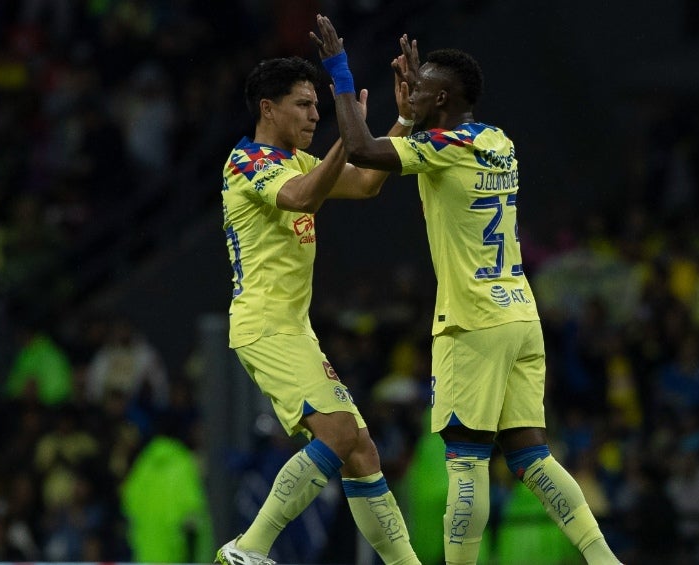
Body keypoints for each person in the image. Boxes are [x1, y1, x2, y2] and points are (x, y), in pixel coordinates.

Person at [311, 15, 622, 565]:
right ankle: (604, 561)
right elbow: (418, 137)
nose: (410, 90)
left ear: (446, 97)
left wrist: (339, 71)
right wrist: (414, 112)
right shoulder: (499, 142)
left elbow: (360, 151)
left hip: (472, 321)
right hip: (520, 316)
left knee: (466, 458)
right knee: (531, 456)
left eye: (422, 86)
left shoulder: (441, 147)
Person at [213, 55, 420, 565]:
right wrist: (347, 139)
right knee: (339, 433)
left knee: (361, 451)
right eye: (303, 105)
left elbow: (368, 182)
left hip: (294, 329)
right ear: (268, 108)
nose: (313, 115)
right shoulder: (248, 164)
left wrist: (405, 120)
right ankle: (248, 549)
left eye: (318, 105)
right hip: (264, 325)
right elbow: (303, 199)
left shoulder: (299, 160)